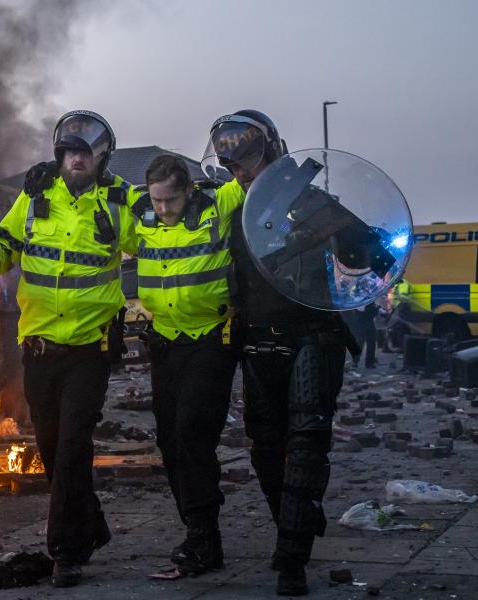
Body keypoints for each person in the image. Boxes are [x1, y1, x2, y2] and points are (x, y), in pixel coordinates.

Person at [0, 110, 139, 588]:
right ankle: (93, 526)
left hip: (90, 348)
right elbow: (8, 247)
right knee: (50, 446)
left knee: (72, 447)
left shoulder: (121, 202)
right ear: (59, 154)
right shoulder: (36, 195)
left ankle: (65, 551)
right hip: (39, 346)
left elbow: (159, 239)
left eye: (85, 153)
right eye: (69, 151)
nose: (76, 159)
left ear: (102, 158)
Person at [203, 110, 355, 596]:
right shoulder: (234, 208)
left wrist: (351, 234)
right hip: (257, 338)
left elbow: (364, 254)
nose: (243, 173)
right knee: (266, 447)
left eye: (249, 161)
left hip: (313, 334)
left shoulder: (309, 199)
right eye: (234, 167)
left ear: (271, 150)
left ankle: (293, 559)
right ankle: (293, 524)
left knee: (307, 443)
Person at [127, 154, 238, 578]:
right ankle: (198, 531)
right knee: (171, 440)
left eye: (171, 201)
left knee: (193, 430)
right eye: (156, 202)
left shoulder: (218, 207)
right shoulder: (140, 217)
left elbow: (258, 183)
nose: (164, 210)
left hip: (211, 340)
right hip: (166, 343)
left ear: (189, 191)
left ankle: (203, 536)